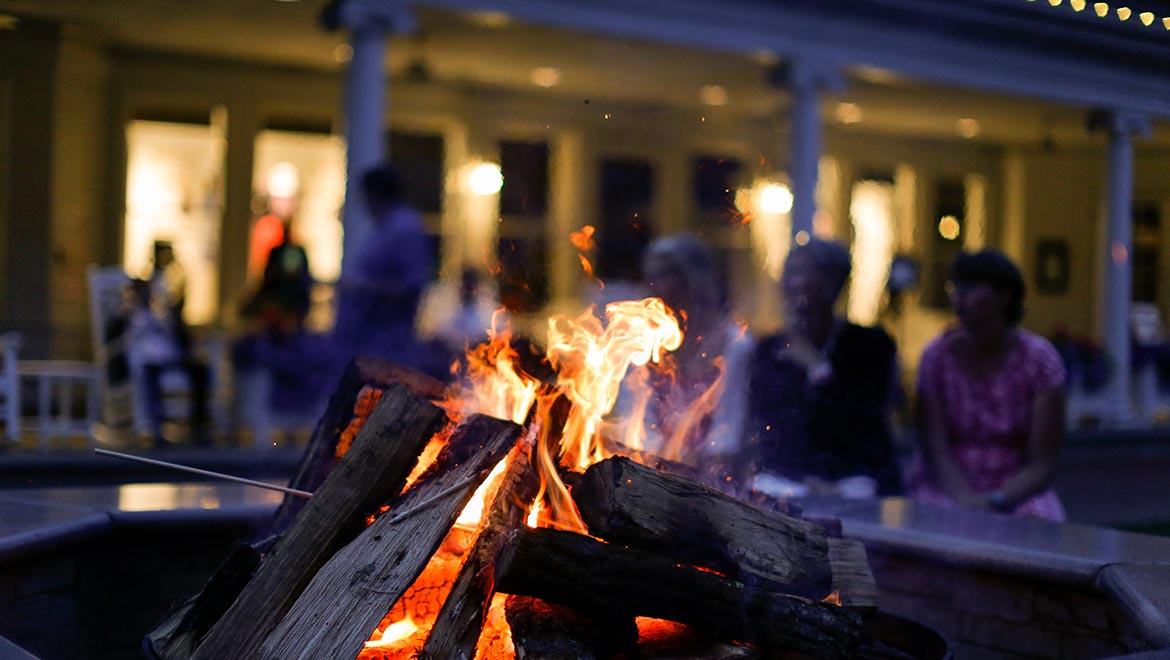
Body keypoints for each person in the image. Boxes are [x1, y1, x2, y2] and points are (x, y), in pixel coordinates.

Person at [908, 250, 1066, 520]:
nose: (959, 297)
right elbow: (935, 447)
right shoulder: (936, 357)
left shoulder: (1040, 360)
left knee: (1038, 525)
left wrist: (996, 499)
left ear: (1004, 295)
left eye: (970, 288)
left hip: (1016, 487)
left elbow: (1042, 463)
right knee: (935, 526)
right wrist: (965, 500)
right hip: (949, 483)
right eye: (955, 287)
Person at [739, 239, 902, 498]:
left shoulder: (871, 346)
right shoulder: (770, 349)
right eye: (788, 273)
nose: (790, 284)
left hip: (853, 479)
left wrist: (817, 368)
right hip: (785, 480)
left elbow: (865, 424)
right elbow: (770, 428)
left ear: (833, 283)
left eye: (801, 273)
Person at [613, 234, 751, 469]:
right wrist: (666, 456)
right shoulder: (640, 345)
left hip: (717, 476)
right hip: (653, 472)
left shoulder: (735, 344)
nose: (653, 287)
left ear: (692, 279)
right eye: (650, 277)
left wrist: (700, 461)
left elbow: (730, 429)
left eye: (665, 275)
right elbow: (633, 425)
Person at [332, 162, 431, 367]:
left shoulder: (404, 228)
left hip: (385, 348)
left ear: (375, 193)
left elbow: (410, 287)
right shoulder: (384, 228)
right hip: (365, 344)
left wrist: (361, 288)